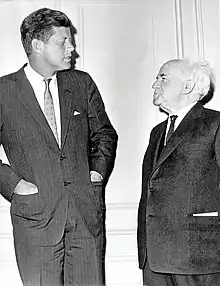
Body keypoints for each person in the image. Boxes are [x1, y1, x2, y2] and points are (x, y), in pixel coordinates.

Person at [0, 7, 118, 286]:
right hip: (35, 219)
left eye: (70, 40)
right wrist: (14, 184)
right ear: (37, 45)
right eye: (62, 41)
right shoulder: (4, 92)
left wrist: (97, 173)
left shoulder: (82, 83)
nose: (71, 48)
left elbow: (104, 134)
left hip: (85, 217)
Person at [137, 58, 220, 286]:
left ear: (188, 86)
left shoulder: (215, 124)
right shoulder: (157, 133)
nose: (154, 85)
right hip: (155, 259)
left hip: (200, 257)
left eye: (162, 78)